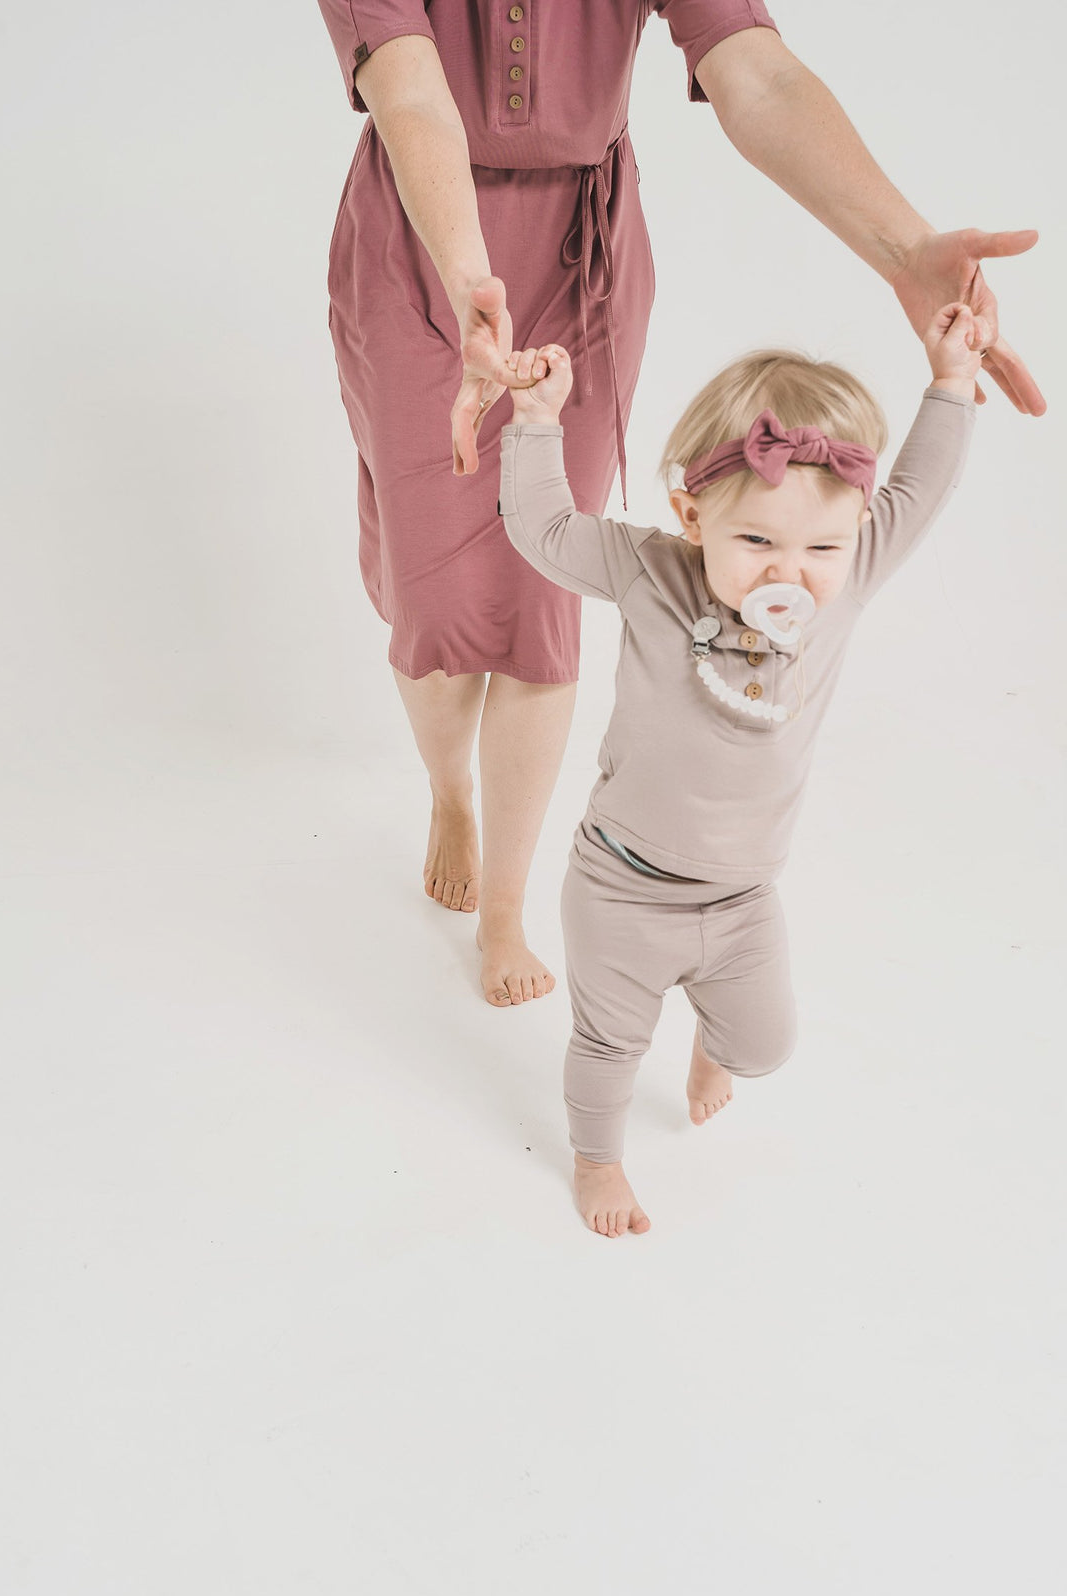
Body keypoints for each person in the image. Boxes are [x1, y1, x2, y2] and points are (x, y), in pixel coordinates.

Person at [314, 1, 1042, 1009]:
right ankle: (450, 790)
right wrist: (470, 270)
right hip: (423, 239)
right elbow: (407, 84)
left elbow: (760, 75)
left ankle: (506, 910)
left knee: (543, 598)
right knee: (430, 599)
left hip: (582, 247)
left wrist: (902, 250)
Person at [497, 302, 980, 1235]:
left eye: (820, 549)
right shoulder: (652, 571)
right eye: (757, 542)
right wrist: (536, 422)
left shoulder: (852, 575)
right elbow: (547, 532)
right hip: (623, 888)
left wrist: (952, 381)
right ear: (692, 513)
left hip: (743, 899)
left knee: (767, 1046)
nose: (788, 577)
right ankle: (597, 1161)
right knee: (608, 1048)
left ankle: (714, 1046)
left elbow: (922, 488)